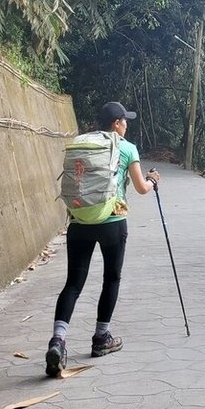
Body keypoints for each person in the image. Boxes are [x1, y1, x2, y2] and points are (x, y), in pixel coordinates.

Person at [45, 101, 159, 375]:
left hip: (80, 221)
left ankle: (58, 341)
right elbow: (142, 188)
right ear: (116, 124)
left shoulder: (82, 142)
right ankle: (101, 338)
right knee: (111, 278)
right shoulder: (127, 148)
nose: (126, 124)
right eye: (124, 120)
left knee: (73, 283)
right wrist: (153, 180)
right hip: (113, 222)